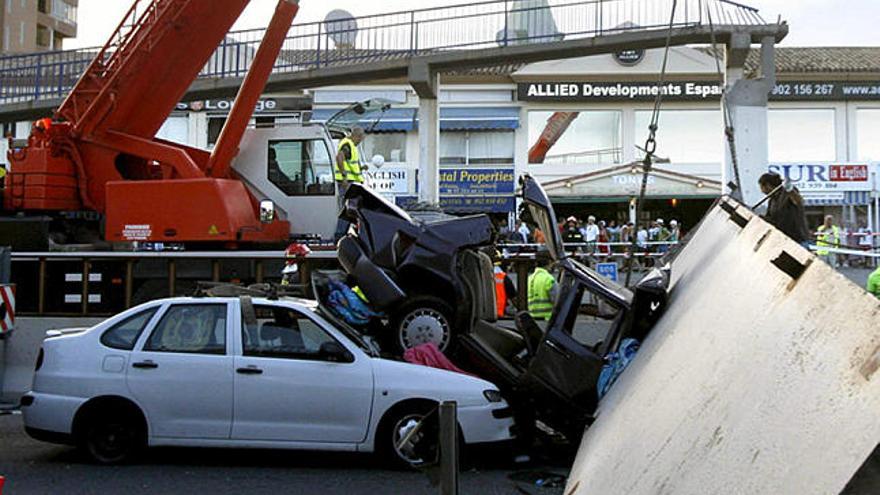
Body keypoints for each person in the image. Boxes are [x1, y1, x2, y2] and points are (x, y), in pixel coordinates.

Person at [758, 172, 810, 247]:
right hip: (783, 240)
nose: (761, 191)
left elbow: (798, 201)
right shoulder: (772, 201)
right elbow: (772, 220)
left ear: (767, 185)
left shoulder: (786, 192)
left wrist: (790, 189)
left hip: (798, 240)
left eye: (761, 187)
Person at [334, 126, 368, 240]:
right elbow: (339, 157)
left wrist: (361, 168)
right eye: (361, 139)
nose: (360, 142)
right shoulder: (347, 144)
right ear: (357, 136)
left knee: (351, 210)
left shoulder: (350, 145)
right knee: (348, 210)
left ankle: (343, 235)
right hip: (347, 183)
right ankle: (339, 236)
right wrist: (344, 177)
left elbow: (349, 163)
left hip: (351, 183)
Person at [527, 254, 558, 320]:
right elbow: (557, 301)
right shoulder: (549, 279)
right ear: (549, 262)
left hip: (532, 319)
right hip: (548, 319)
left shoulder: (529, 279)